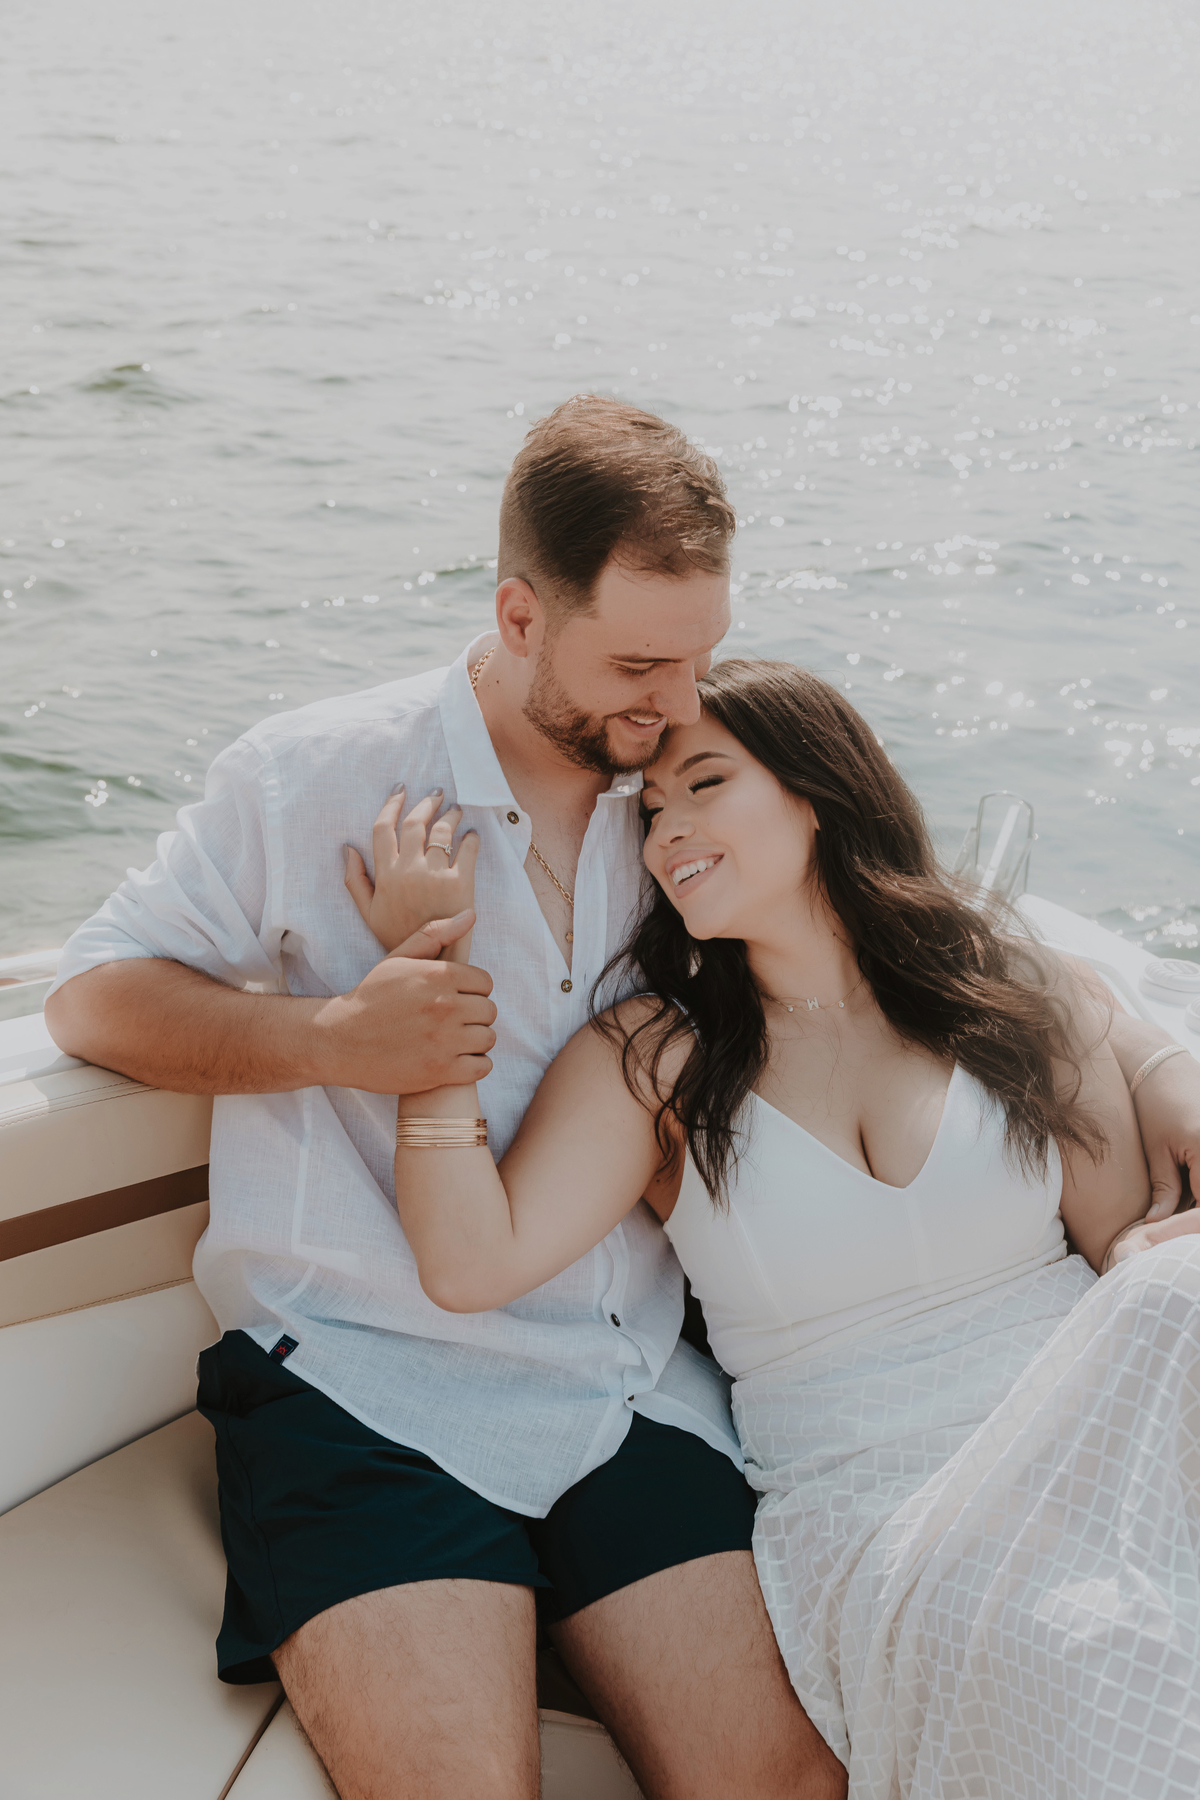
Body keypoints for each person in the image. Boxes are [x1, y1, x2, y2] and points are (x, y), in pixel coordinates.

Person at [44, 398, 847, 1800]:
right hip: (362, 1379)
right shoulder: (313, 775)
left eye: (700, 659)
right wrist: (334, 1039)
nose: (673, 707)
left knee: (784, 1786)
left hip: (627, 1380)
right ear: (520, 616)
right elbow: (95, 996)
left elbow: (874, 943)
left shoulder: (693, 794)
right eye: (639, 663)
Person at [355, 656, 1200, 1800]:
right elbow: (469, 1261)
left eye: (706, 785)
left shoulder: (1004, 984)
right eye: (652, 813)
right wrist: (427, 976)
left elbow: (1123, 1255)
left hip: (1091, 1440)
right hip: (876, 1505)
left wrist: (1161, 1087)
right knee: (1084, 1643)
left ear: (816, 791)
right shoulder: (656, 1060)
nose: (669, 833)